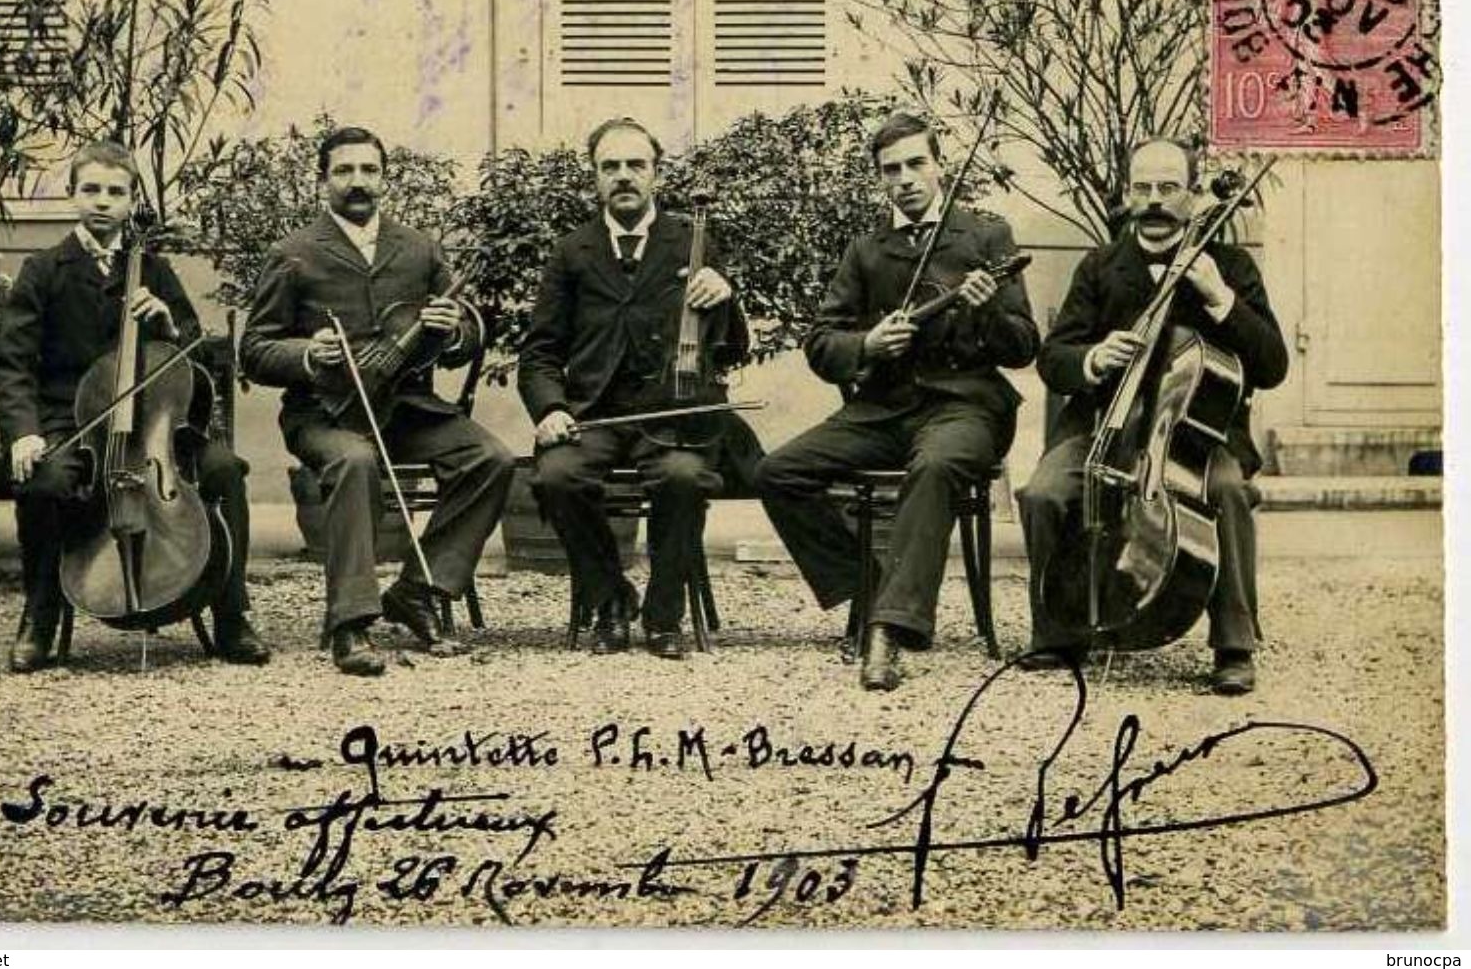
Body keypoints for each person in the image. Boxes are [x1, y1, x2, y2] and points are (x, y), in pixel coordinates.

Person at [755, 111, 1039, 691]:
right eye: (891, 170)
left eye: (916, 164)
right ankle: (871, 589)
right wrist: (869, 343)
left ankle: (886, 630)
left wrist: (985, 309)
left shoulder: (985, 237)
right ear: (879, 179)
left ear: (940, 167)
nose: (905, 178)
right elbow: (821, 343)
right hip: (882, 409)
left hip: (966, 407)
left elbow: (1024, 347)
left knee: (934, 467)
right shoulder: (866, 251)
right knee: (776, 472)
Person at [1017, 137, 1289, 695]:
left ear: (1192, 196)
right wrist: (1092, 358)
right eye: (1143, 188)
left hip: (1196, 434)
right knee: (1043, 493)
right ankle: (1056, 633)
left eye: (1169, 188)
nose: (1155, 201)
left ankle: (1233, 643)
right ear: (1127, 194)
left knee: (1230, 491)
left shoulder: (1229, 266)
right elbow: (1054, 357)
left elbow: (1272, 364)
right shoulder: (1100, 265)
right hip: (1103, 427)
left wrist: (1220, 299)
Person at [240, 126, 513, 676]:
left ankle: (420, 587)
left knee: (492, 459)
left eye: (369, 170)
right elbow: (255, 349)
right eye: (344, 171)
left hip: (406, 407)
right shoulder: (291, 254)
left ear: (384, 178)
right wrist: (308, 355)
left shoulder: (417, 248)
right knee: (355, 461)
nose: (357, 182)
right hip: (325, 413)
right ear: (322, 181)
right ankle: (351, 624)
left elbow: (466, 338)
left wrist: (452, 329)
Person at [0, 140, 269, 672]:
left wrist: (167, 323)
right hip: (69, 420)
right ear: (73, 194)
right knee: (44, 480)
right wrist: (24, 432)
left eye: (115, 192)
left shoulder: (153, 269)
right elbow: (12, 365)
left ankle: (233, 616)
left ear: (130, 200)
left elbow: (194, 345)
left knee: (224, 469)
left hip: (156, 420)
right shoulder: (44, 270)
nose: (102, 201)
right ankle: (41, 615)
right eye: (91, 189)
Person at [517, 117, 746, 659]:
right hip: (593, 413)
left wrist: (727, 297)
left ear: (656, 175)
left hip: (672, 415)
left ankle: (664, 617)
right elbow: (540, 352)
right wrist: (549, 409)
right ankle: (612, 600)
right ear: (594, 178)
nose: (623, 176)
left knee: (684, 476)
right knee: (557, 476)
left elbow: (732, 349)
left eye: (635, 165)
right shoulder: (572, 251)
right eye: (610, 166)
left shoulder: (692, 241)